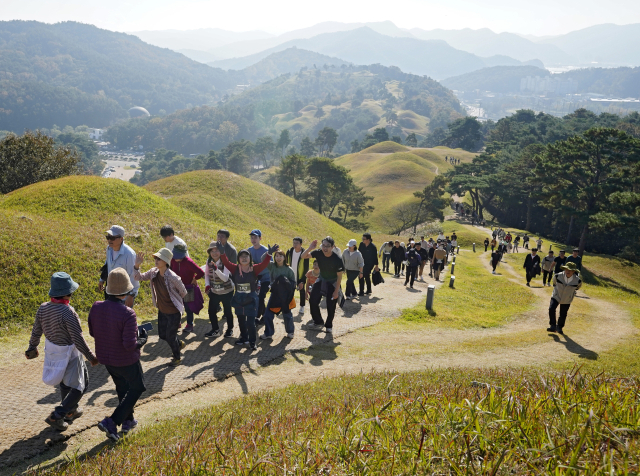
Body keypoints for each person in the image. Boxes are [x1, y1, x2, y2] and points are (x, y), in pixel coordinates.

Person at [26, 272, 98, 431]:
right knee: (81, 385)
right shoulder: (67, 312)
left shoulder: (43, 308)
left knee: (64, 382)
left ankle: (71, 411)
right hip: (70, 353)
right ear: (69, 292)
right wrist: (91, 356)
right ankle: (58, 415)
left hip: (53, 352)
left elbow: (36, 331)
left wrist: (32, 347)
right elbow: (78, 338)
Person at [89, 268, 147, 442]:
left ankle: (128, 421)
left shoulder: (96, 307)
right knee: (138, 387)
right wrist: (142, 340)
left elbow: (93, 332)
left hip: (107, 359)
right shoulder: (128, 313)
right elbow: (129, 345)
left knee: (122, 388)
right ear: (125, 293)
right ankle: (112, 421)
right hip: (126, 360)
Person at [134, 248, 187, 366]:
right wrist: (137, 265)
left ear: (166, 261)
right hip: (162, 310)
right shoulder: (153, 272)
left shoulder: (173, 277)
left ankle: (177, 357)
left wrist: (175, 299)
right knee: (163, 335)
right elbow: (138, 277)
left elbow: (183, 292)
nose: (156, 260)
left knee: (170, 337)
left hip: (174, 312)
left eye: (159, 258)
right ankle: (179, 344)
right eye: (156, 258)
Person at [220, 246, 273, 350]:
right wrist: (222, 253)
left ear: (250, 258)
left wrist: (269, 254)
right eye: (241, 256)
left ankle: (252, 342)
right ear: (238, 259)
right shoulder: (235, 268)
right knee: (240, 320)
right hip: (239, 297)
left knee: (250, 322)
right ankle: (244, 338)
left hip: (251, 298)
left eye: (246, 256)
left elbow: (264, 264)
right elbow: (226, 262)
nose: (244, 258)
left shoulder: (254, 268)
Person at [300, 237, 344, 334]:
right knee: (313, 300)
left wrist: (336, 291)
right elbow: (303, 256)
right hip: (321, 280)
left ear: (332, 247)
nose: (325, 248)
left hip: (332, 282)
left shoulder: (337, 259)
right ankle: (318, 321)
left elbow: (339, 277)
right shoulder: (318, 252)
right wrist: (310, 248)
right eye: (323, 245)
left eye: (328, 246)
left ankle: (329, 325)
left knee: (330, 305)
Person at [260, 249, 297, 340]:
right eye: (276, 256)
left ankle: (290, 331)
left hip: (285, 296)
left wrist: (289, 296)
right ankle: (268, 333)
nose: (278, 258)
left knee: (287, 314)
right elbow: (262, 259)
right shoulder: (272, 266)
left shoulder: (289, 270)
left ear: (284, 258)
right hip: (275, 294)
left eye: (281, 256)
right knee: (268, 315)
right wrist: (269, 252)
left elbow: (293, 283)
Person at [99, 225, 139, 308]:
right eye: (108, 237)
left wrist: (131, 295)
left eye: (113, 238)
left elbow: (133, 275)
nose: (109, 240)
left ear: (121, 239)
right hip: (110, 291)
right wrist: (102, 279)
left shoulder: (129, 254)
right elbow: (107, 264)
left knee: (123, 319)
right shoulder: (109, 249)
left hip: (123, 295)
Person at [170, 244, 204, 334]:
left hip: (188, 288)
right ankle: (177, 323)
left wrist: (195, 279)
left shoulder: (189, 262)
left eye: (179, 257)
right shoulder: (172, 260)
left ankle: (190, 324)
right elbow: (169, 269)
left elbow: (201, 272)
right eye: (175, 256)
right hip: (176, 287)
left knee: (188, 307)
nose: (176, 259)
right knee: (176, 306)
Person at [203, 242, 234, 338]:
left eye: (216, 250)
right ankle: (215, 330)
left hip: (227, 291)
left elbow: (225, 278)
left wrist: (216, 269)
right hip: (215, 291)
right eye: (212, 251)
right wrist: (207, 285)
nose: (214, 253)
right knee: (211, 310)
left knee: (228, 311)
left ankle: (230, 329)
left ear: (220, 252)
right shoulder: (209, 261)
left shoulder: (225, 261)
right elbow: (207, 275)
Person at [548, 262, 582, 334]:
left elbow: (577, 287)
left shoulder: (578, 280)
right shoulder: (557, 276)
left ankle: (559, 327)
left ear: (574, 271)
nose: (568, 271)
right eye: (566, 269)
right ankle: (553, 325)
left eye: (570, 270)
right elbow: (554, 283)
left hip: (567, 298)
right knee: (551, 308)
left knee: (563, 314)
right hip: (556, 295)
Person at [248, 229, 270, 323]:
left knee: (261, 296)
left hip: (265, 278)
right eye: (252, 238)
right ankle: (265, 315)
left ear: (260, 238)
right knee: (257, 297)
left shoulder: (266, 250)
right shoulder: (249, 250)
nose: (253, 240)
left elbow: (270, 265)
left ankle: (257, 317)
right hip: (255, 279)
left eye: (255, 237)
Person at [286, 237, 309, 315]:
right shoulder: (289, 251)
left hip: (300, 276)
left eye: (297, 243)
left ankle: (302, 306)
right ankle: (289, 306)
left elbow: (306, 268)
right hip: (290, 276)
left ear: (301, 244)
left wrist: (303, 280)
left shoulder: (304, 253)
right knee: (289, 292)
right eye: (294, 243)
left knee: (302, 292)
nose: (295, 245)